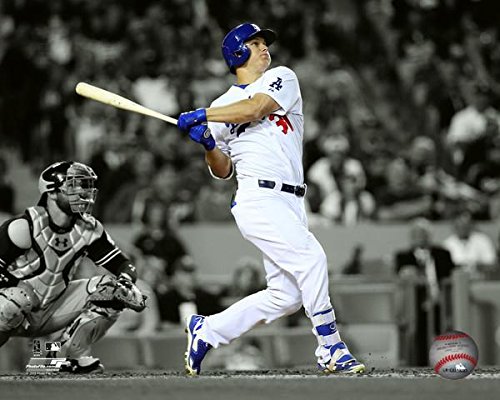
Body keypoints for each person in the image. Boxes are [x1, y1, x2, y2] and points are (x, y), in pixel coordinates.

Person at [176, 23, 365, 376]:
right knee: (311, 258)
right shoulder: (220, 105)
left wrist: (203, 115)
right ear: (236, 53)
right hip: (257, 197)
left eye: (264, 42)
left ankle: (208, 330)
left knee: (286, 296)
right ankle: (330, 346)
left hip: (292, 200)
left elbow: (255, 108)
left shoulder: (281, 78)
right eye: (255, 43)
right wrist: (209, 145)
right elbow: (222, 170)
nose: (264, 48)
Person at [0, 161, 145, 373]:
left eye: (84, 185)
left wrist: (127, 281)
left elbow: (122, 263)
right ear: (51, 191)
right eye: (73, 185)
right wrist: (14, 286)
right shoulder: (24, 226)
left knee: (112, 290)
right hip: (13, 307)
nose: (82, 192)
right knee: (17, 299)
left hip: (53, 308)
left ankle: (63, 356)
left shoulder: (88, 228)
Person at [394, 218, 456, 366]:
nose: (420, 237)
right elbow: (400, 279)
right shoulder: (403, 257)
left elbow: (451, 276)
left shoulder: (443, 254)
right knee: (418, 337)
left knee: (445, 334)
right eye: (416, 233)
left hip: (441, 303)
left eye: (424, 233)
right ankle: (418, 365)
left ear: (430, 235)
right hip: (415, 306)